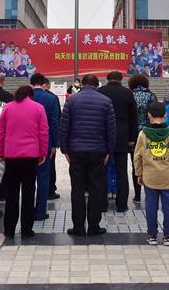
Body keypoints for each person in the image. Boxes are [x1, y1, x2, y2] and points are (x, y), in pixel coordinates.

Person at [59, 74, 116, 237]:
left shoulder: (72, 101)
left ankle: (78, 226)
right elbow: (111, 130)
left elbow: (64, 127)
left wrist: (65, 150)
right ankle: (93, 226)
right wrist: (109, 151)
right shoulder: (106, 101)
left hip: (76, 151)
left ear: (81, 85)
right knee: (96, 189)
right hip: (98, 151)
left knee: (77, 189)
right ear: (97, 85)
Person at [0, 85, 48, 238]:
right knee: (28, 193)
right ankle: (26, 229)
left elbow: (0, 131)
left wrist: (1, 152)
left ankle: (9, 229)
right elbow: (43, 132)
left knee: (11, 194)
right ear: (30, 95)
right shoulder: (38, 108)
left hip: (11, 156)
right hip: (31, 156)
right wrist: (42, 153)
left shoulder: (7, 108)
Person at [133, 100, 169, 246]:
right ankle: (168, 236)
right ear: (165, 115)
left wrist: (139, 173)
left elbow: (137, 156)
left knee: (151, 206)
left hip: (149, 176)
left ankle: (152, 235)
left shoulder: (143, 134)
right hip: (167, 175)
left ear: (149, 115)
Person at [98, 71, 138, 214]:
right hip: (122, 135)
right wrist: (132, 138)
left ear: (107, 79)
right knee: (122, 172)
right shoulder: (128, 93)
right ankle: (122, 205)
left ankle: (102, 205)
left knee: (102, 171)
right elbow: (133, 118)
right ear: (121, 79)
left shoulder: (100, 91)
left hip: (104, 135)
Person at [30, 74, 59, 221]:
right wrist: (54, 144)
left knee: (28, 179)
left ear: (31, 83)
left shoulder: (25, 97)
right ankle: (40, 212)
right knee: (43, 178)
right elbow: (54, 123)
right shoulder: (51, 98)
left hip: (26, 145)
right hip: (45, 144)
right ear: (44, 84)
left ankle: (28, 210)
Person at [128, 73, 157, 203]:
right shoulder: (151, 95)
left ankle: (137, 195)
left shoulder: (130, 95)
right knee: (150, 162)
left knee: (136, 163)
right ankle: (150, 193)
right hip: (148, 132)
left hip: (133, 133)